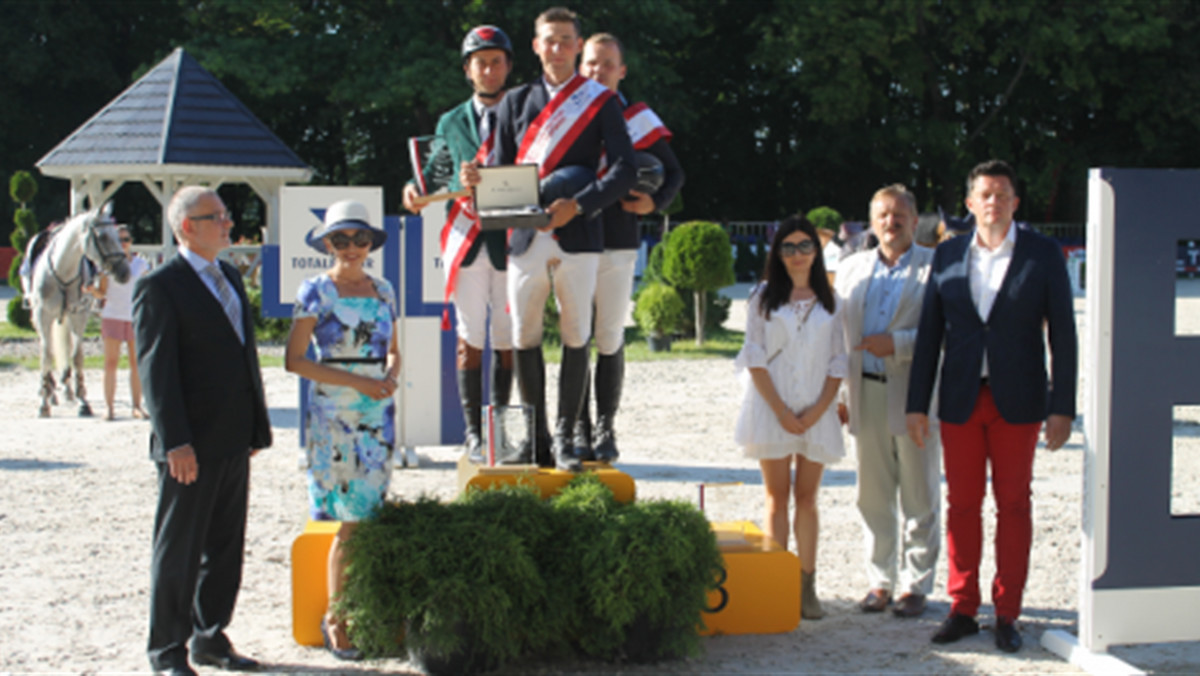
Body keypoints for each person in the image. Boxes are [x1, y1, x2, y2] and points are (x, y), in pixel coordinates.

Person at [907, 160, 1077, 653]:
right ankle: (962, 607)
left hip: (1019, 401)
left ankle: (1007, 612)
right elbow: (930, 333)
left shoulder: (1043, 254)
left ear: (1015, 203)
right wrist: (917, 404)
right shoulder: (949, 255)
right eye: (985, 194)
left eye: (1003, 194)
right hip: (960, 399)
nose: (993, 202)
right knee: (961, 507)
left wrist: (1061, 406)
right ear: (970, 203)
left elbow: (1063, 334)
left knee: (1014, 506)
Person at [463, 6, 636, 471]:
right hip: (525, 238)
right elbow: (497, 171)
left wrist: (579, 205)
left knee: (578, 334)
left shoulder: (600, 102)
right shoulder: (514, 103)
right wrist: (479, 180)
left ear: (578, 47)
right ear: (536, 47)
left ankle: (566, 436)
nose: (557, 49)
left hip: (580, 233)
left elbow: (625, 169)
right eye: (549, 40)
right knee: (524, 335)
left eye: (565, 40)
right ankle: (536, 437)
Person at [134, 186, 271, 675]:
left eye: (227, 214)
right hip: (188, 446)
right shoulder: (160, 286)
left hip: (233, 437)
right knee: (179, 551)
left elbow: (243, 360)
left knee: (225, 547)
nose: (229, 224)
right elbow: (157, 373)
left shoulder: (230, 276)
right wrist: (175, 441)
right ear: (187, 226)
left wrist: (255, 428)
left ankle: (209, 637)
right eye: (217, 217)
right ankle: (167, 653)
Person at [284, 200, 399, 660]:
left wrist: (389, 375)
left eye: (360, 239)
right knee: (350, 521)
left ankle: (360, 609)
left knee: (369, 517)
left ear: (371, 243)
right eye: (341, 239)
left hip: (378, 413)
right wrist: (360, 382)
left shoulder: (385, 288)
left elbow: (394, 348)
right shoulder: (315, 291)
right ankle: (336, 619)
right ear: (327, 243)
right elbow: (295, 360)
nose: (352, 248)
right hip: (336, 413)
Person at [402, 25, 515, 464]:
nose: (488, 70)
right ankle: (473, 433)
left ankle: (503, 427)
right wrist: (413, 186)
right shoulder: (451, 121)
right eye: (480, 63)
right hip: (466, 238)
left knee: (508, 335)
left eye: (496, 62)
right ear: (467, 70)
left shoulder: (526, 110)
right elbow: (435, 170)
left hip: (510, 236)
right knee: (470, 337)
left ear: (508, 66)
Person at [573, 31, 685, 462]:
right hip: (573, 240)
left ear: (622, 71)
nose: (597, 71)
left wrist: (654, 201)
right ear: (580, 68)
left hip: (618, 239)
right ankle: (577, 428)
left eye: (606, 64)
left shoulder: (638, 119)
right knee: (575, 337)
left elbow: (674, 173)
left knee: (609, 336)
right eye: (590, 64)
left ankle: (605, 429)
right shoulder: (564, 119)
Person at [835, 185, 940, 618]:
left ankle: (915, 585)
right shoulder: (851, 268)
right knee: (872, 494)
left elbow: (945, 336)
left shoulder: (935, 268)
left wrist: (896, 344)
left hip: (913, 394)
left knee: (919, 491)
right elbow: (838, 335)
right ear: (871, 220)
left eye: (899, 216)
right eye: (882, 215)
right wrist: (841, 392)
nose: (890, 223)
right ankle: (880, 579)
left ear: (915, 222)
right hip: (865, 392)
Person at [734, 214, 846, 621]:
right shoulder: (762, 298)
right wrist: (781, 411)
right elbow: (754, 357)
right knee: (776, 498)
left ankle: (806, 583)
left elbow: (838, 362)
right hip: (772, 408)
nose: (797, 255)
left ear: (816, 251)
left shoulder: (832, 300)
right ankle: (775, 580)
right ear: (777, 253)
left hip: (816, 409)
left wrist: (818, 410)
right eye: (788, 247)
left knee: (807, 499)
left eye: (804, 246)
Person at [85, 224, 149, 420]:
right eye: (119, 240)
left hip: (134, 317)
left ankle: (137, 406)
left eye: (126, 240)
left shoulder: (140, 265)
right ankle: (109, 407)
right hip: (112, 315)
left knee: (136, 364)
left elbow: (147, 291)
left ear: (131, 242)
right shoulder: (108, 266)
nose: (123, 244)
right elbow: (102, 292)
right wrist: (91, 291)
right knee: (110, 363)